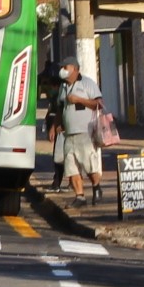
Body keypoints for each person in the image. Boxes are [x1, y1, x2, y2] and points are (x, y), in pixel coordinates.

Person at [57, 57, 106, 203]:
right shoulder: (63, 87)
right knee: (71, 167)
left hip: (85, 132)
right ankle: (80, 196)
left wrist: (80, 100)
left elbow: (99, 104)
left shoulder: (87, 83)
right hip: (69, 134)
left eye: (65, 67)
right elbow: (60, 108)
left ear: (75, 69)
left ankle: (96, 186)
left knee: (89, 164)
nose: (62, 70)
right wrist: (56, 125)